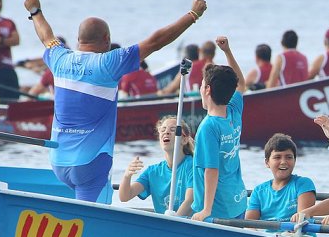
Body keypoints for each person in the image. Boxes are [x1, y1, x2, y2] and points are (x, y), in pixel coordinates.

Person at [24, 0, 207, 202]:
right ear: (107, 40)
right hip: (90, 164)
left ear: (78, 40)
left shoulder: (59, 58)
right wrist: (193, 14)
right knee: (92, 221)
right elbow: (155, 42)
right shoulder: (108, 63)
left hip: (58, 162)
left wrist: (35, 11)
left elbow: (46, 37)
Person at [191, 37, 248, 222]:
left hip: (218, 209)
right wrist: (227, 51)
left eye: (201, 85)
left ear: (207, 89)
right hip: (238, 200)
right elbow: (241, 85)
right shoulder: (233, 111)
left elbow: (211, 170)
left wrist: (206, 210)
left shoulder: (208, 127)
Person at [118, 116, 195, 215]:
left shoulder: (192, 166)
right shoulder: (152, 171)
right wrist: (127, 176)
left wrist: (172, 223)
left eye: (173, 130)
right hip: (166, 225)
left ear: (184, 140)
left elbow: (190, 201)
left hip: (188, 225)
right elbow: (125, 197)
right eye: (163, 130)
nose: (166, 132)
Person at [246, 133, 316, 222]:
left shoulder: (303, 184)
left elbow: (302, 222)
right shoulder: (258, 191)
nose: (283, 162)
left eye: (289, 157)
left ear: (295, 160)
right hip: (265, 235)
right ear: (267, 162)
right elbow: (249, 225)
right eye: (277, 157)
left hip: (295, 235)